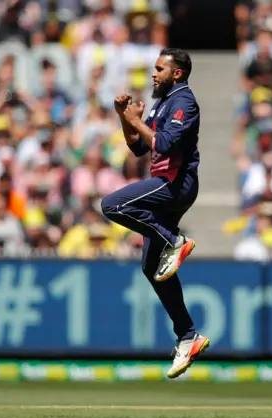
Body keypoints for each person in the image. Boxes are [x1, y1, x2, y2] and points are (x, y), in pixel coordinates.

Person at [101, 48, 209, 378]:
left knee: (113, 204)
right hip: (164, 183)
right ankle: (188, 335)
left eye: (160, 69)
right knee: (151, 267)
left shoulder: (184, 102)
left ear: (177, 73)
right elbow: (138, 146)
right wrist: (125, 117)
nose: (153, 73)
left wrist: (135, 119)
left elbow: (163, 144)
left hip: (176, 183)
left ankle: (173, 240)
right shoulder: (163, 101)